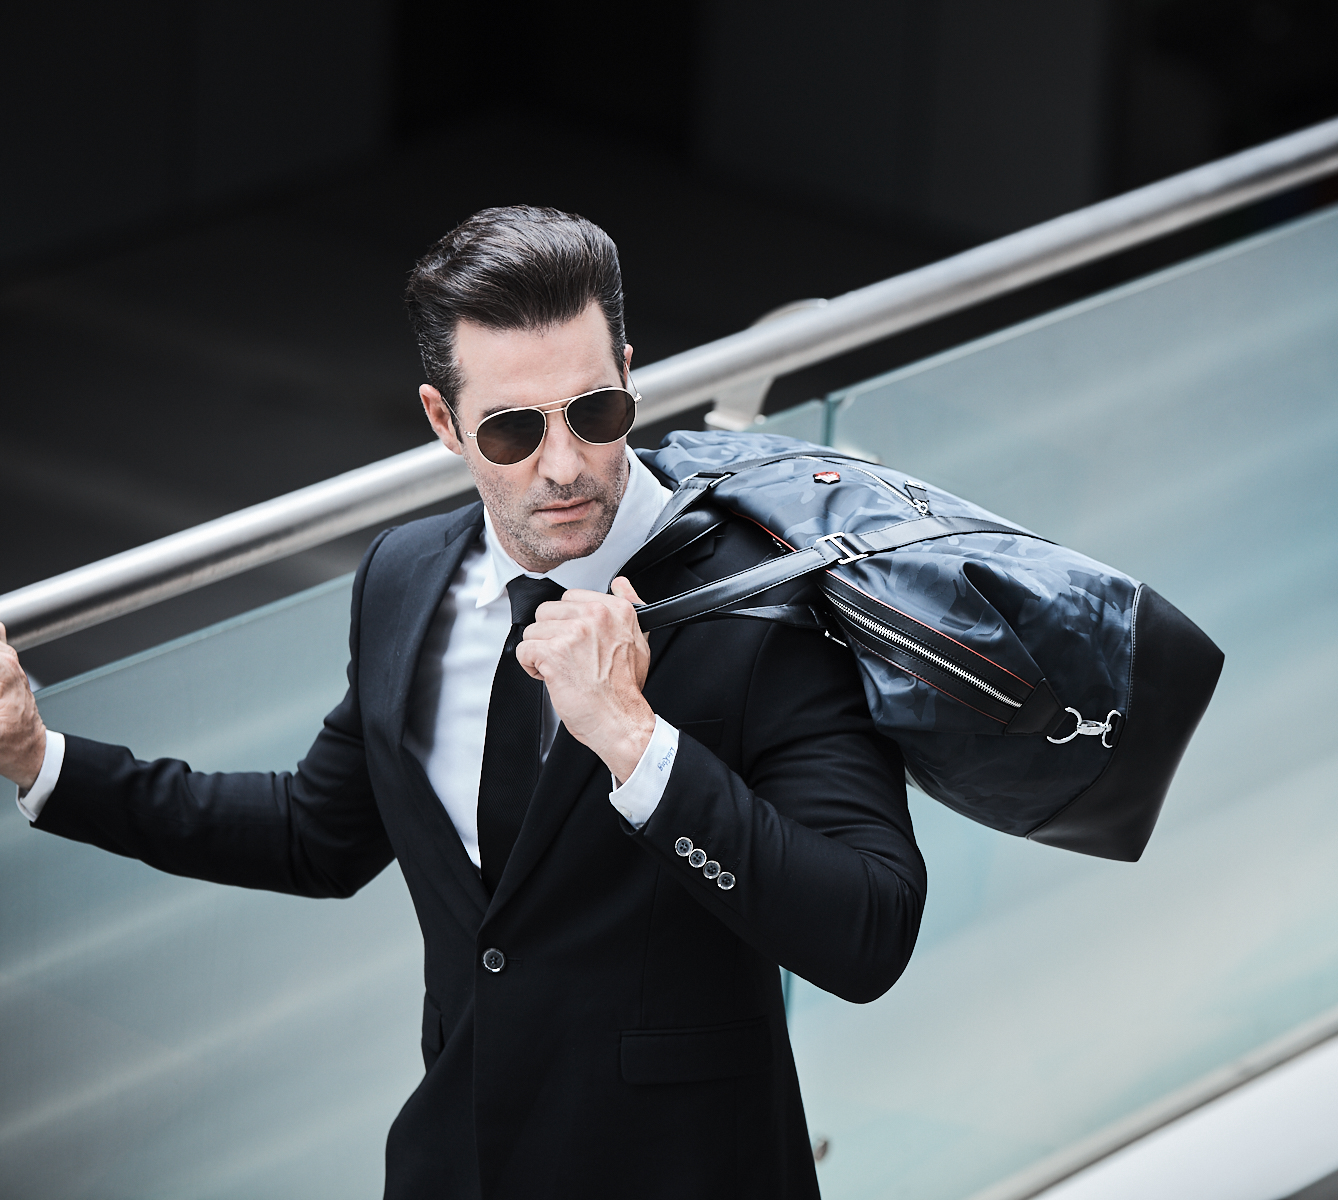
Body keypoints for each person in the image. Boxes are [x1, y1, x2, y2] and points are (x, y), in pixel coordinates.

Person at [0, 205, 925, 1199]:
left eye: (596, 412)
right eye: (515, 429)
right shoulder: (406, 577)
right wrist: (39, 757)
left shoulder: (759, 602)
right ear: (444, 423)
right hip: (458, 1166)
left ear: (627, 370)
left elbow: (867, 930)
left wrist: (636, 741)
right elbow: (318, 833)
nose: (565, 464)